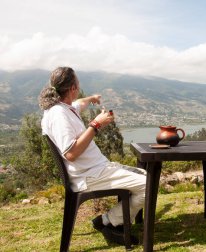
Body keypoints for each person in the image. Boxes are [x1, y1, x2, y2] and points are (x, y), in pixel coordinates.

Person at [38, 66, 145, 245]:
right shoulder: (58, 115)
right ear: (72, 88)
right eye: (78, 84)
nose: (79, 88)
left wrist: (91, 99)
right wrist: (96, 124)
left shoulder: (64, 107)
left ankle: (114, 222)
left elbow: (79, 103)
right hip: (88, 175)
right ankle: (108, 222)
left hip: (96, 168)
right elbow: (71, 153)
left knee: (143, 176)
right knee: (147, 184)